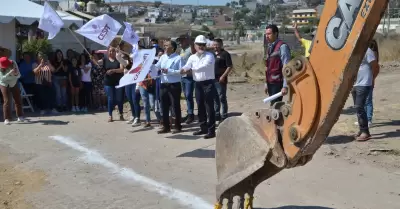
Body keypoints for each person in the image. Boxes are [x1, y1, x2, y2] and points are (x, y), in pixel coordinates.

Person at [181, 35, 217, 139]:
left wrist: (190, 69)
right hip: (198, 84)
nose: (201, 46)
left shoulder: (209, 56)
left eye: (203, 45)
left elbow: (204, 66)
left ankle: (211, 130)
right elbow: (187, 65)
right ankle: (203, 128)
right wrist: (183, 69)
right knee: (200, 106)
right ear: (195, 46)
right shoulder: (192, 57)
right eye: (199, 45)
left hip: (208, 84)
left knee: (209, 108)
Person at [155, 40, 183, 134]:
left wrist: (169, 71)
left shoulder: (178, 58)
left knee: (175, 106)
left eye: (167, 45)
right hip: (164, 84)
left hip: (174, 84)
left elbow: (181, 72)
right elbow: (157, 67)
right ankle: (166, 126)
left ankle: (177, 126)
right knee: (164, 106)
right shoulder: (163, 57)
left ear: (173, 48)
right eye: (164, 45)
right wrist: (148, 66)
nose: (165, 47)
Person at [352, 47, 379, 142]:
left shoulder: (367, 50)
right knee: (358, 108)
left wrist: (372, 80)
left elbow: (376, 66)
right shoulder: (353, 50)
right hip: (355, 84)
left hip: (364, 84)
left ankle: (365, 132)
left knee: (359, 107)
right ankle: (361, 129)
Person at [93, 47, 125, 122]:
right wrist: (92, 59)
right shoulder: (105, 59)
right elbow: (97, 63)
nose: (111, 52)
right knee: (110, 98)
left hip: (118, 82)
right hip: (108, 82)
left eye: (113, 51)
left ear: (115, 52)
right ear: (108, 52)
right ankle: (110, 115)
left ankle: (121, 114)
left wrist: (113, 70)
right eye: (110, 51)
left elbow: (121, 69)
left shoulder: (118, 59)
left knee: (119, 99)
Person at [264, 24, 290, 105]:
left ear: (275, 34)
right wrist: (266, 83)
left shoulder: (282, 47)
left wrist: (285, 86)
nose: (267, 36)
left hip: (278, 83)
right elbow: (268, 67)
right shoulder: (270, 47)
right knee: (273, 106)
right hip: (270, 82)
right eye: (266, 34)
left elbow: (286, 67)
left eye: (269, 34)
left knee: (276, 107)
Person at [212, 38, 233, 123]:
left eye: (217, 45)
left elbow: (229, 66)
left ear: (221, 45)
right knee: (215, 98)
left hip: (221, 79)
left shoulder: (225, 54)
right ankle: (217, 114)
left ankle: (224, 115)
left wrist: (223, 76)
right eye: (214, 45)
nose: (215, 46)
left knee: (222, 97)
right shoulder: (212, 54)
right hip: (213, 79)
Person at [177, 34, 196, 124]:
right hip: (183, 77)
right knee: (186, 96)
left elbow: (194, 52)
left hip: (189, 76)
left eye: (182, 40)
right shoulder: (182, 50)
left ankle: (191, 114)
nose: (180, 42)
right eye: (179, 41)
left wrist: (191, 42)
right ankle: (189, 113)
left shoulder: (190, 49)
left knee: (189, 95)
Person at [0, 56, 25, 125]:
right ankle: (6, 118)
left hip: (13, 82)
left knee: (17, 98)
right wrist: (9, 73)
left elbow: (19, 75)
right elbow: (2, 79)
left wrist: (15, 74)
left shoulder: (13, 63)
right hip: (4, 83)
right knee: (6, 100)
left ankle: (20, 116)